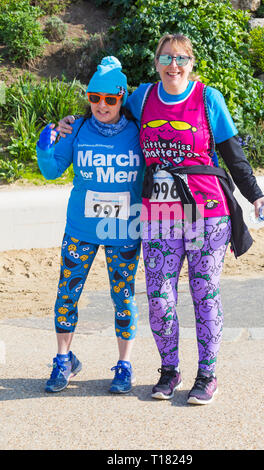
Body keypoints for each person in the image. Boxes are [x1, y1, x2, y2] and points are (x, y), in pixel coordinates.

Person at [58, 34, 264, 405]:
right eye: (166, 58)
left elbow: (233, 155)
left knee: (204, 293)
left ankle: (207, 374)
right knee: (159, 296)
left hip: (207, 211)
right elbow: (107, 111)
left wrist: (256, 195)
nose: (174, 65)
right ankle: (169, 370)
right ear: (156, 62)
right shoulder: (142, 98)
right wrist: (72, 124)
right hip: (159, 212)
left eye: (181, 58)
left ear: (192, 63)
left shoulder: (208, 98)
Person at [36, 56, 144, 394]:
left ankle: (124, 365)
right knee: (67, 295)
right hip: (81, 228)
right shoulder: (78, 128)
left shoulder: (139, 130)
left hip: (124, 230)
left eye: (110, 99)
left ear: (122, 98)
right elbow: (52, 171)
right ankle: (63, 359)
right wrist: (44, 145)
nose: (101, 105)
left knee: (123, 297)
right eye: (94, 98)